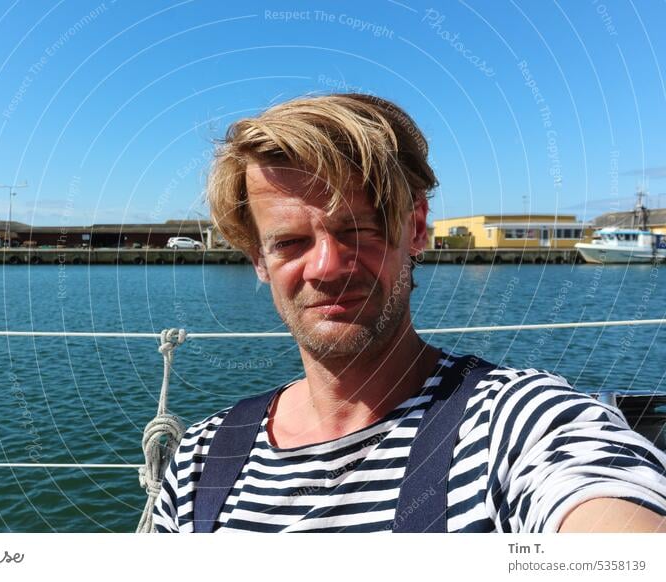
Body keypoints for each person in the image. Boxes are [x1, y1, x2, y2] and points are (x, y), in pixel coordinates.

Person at [153, 93, 666, 533]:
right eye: (290, 242)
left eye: (359, 230)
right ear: (259, 260)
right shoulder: (200, 462)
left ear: (416, 228)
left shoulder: (517, 425)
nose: (328, 267)